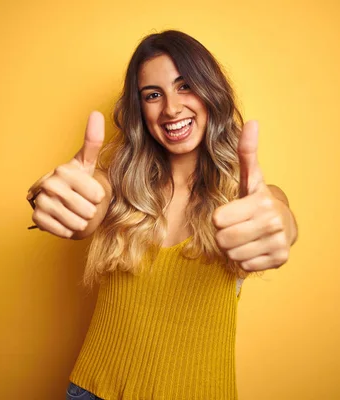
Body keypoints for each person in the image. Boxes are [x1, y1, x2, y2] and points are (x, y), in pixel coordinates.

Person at [27, 30, 298, 400]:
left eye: (184, 86)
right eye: (153, 95)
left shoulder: (243, 198)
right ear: (140, 110)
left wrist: (281, 223)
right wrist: (57, 199)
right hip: (91, 391)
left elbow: (276, 211)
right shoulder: (117, 185)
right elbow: (90, 200)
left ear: (210, 93)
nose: (170, 108)